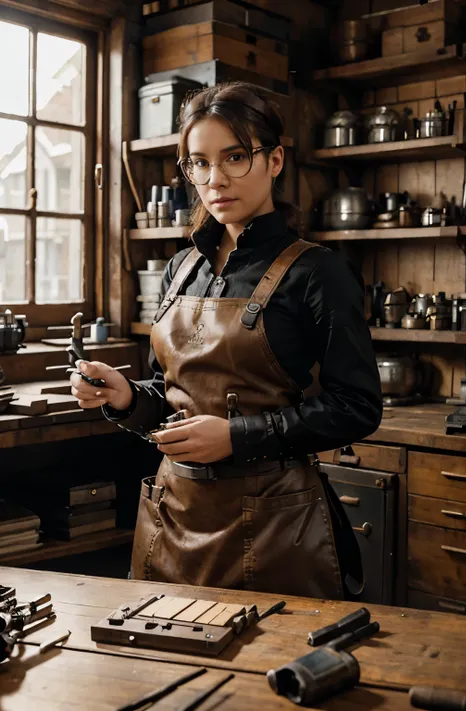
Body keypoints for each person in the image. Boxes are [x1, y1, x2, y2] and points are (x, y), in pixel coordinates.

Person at [70, 82, 382, 599]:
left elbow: (358, 408)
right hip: (172, 515)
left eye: (235, 157)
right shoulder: (180, 268)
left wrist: (238, 436)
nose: (215, 179)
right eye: (198, 163)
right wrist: (125, 397)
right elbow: (168, 394)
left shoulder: (318, 273)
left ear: (275, 160)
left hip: (274, 524)